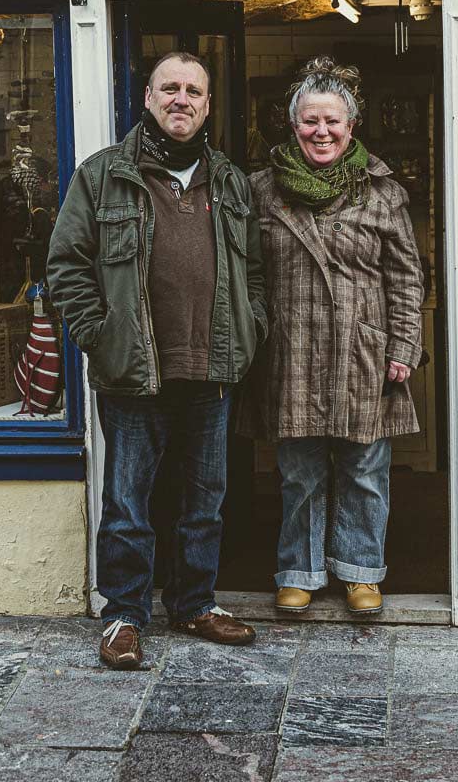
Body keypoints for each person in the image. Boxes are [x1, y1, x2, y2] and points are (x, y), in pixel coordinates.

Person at [45, 51, 266, 669]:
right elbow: (66, 266)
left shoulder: (229, 181)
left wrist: (251, 328)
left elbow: (254, 272)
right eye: (170, 88)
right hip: (132, 374)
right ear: (147, 98)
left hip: (210, 371)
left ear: (207, 104)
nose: (181, 99)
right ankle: (124, 614)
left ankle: (194, 602)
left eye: (194, 90)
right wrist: (100, 333)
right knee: (128, 501)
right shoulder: (102, 175)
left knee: (205, 501)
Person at [248, 56, 424, 616]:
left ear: (352, 126)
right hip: (292, 347)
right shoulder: (261, 191)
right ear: (292, 124)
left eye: (332, 122)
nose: (321, 132)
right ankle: (299, 569)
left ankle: (361, 572)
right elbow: (244, 274)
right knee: (299, 471)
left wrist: (402, 346)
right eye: (309, 122)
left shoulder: (381, 191)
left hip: (362, 349)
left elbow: (405, 275)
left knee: (365, 469)